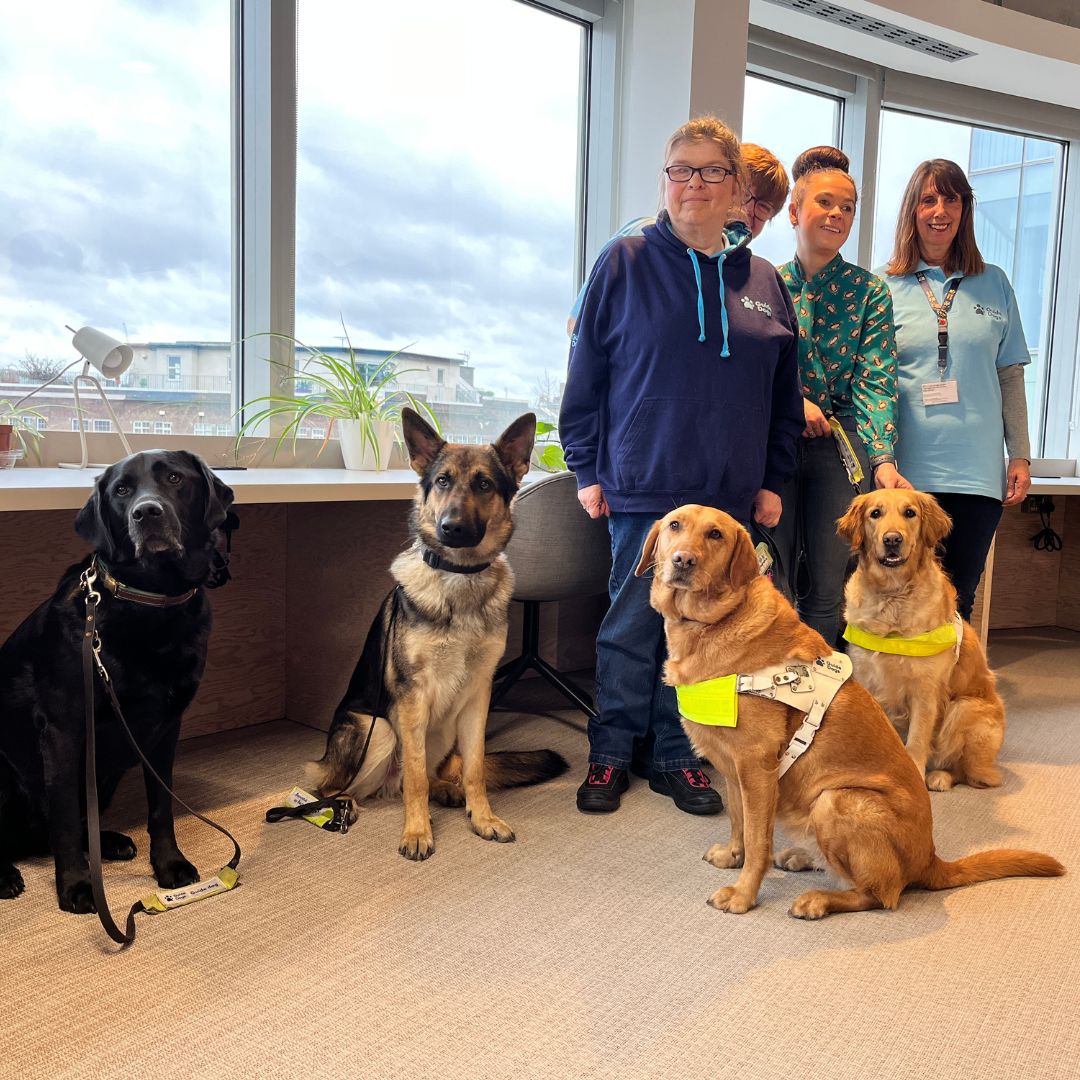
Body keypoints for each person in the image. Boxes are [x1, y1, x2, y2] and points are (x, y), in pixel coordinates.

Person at [559, 117, 804, 814]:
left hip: (729, 497)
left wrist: (772, 481)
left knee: (709, 633)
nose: (692, 184)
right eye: (679, 171)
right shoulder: (625, 262)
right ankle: (610, 754)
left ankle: (678, 756)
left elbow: (785, 395)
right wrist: (585, 469)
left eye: (709, 172)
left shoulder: (763, 280)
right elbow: (587, 377)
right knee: (632, 625)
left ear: (736, 188)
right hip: (644, 486)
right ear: (665, 182)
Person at [770, 146, 911, 648]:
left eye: (847, 207)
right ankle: (778, 690)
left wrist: (882, 459)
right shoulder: (766, 284)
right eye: (824, 203)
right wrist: (792, 403)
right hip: (776, 443)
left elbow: (877, 378)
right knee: (775, 574)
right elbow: (754, 372)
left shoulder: (870, 291)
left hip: (841, 446)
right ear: (794, 211)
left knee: (828, 582)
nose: (836, 215)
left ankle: (820, 699)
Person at [879, 158, 1031, 620]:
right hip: (905, 475)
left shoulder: (995, 283)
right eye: (928, 199)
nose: (939, 210)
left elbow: (1010, 374)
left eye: (951, 199)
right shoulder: (882, 285)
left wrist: (1020, 455)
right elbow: (873, 382)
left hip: (977, 474)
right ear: (913, 210)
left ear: (965, 209)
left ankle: (942, 693)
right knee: (894, 595)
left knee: (956, 596)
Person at [566, 143, 791, 335]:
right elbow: (578, 326)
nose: (749, 211)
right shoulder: (639, 240)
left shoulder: (754, 276)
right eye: (746, 195)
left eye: (764, 207)